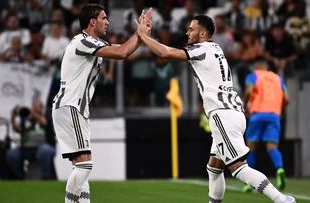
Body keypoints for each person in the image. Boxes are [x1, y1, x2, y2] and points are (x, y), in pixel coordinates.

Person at [136, 13, 295, 203]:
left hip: (222, 114)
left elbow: (165, 53)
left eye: (191, 29)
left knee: (238, 168)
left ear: (203, 34)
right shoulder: (215, 48)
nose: (187, 32)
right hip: (233, 112)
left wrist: (143, 36)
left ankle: (280, 199)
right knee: (213, 168)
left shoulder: (201, 49)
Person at [51, 4, 152, 203]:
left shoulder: (92, 43)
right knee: (84, 165)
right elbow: (123, 52)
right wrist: (138, 33)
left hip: (74, 108)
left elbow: (125, 50)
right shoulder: (83, 41)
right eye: (104, 18)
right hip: (71, 106)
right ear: (92, 21)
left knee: (81, 167)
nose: (107, 22)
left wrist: (141, 35)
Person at [242, 57, 289, 192]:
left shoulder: (253, 76)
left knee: (250, 148)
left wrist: (245, 106)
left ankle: (249, 182)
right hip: (274, 115)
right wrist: (281, 109)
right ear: (267, 66)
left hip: (257, 115)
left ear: (257, 65)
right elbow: (287, 98)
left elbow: (249, 91)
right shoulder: (277, 78)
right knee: (272, 147)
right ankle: (279, 169)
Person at [6, 100, 56, 179]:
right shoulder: (27, 119)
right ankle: (19, 176)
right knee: (12, 154)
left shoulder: (46, 116)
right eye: (33, 106)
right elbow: (18, 129)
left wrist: (32, 112)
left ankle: (45, 177)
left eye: (37, 106)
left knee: (44, 151)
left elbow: (44, 122)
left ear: (41, 108)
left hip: (42, 147)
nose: (34, 108)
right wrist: (13, 117)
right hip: (26, 148)